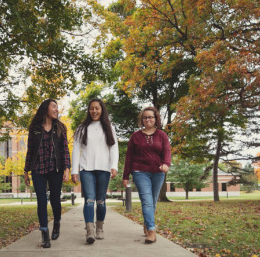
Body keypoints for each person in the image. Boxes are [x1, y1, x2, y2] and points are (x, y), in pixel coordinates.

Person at [24, 99, 71, 248]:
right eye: (54, 107)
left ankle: (57, 222)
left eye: (57, 107)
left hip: (55, 169)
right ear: (46, 109)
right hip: (38, 169)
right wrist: (26, 171)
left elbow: (65, 150)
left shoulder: (60, 128)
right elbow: (30, 151)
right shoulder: (35, 128)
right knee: (42, 200)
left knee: (55, 200)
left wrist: (67, 169)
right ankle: (44, 233)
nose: (57, 109)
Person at [72, 98, 119, 244]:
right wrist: (75, 170)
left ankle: (99, 228)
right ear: (88, 110)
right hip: (86, 169)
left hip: (104, 169)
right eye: (91, 108)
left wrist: (114, 166)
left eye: (97, 108)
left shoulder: (109, 128)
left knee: (101, 201)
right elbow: (76, 150)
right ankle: (90, 231)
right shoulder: (81, 128)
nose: (94, 111)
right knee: (89, 201)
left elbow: (114, 147)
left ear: (102, 109)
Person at [122, 107, 171, 244]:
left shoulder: (162, 135)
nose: (148, 119)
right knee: (147, 201)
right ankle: (152, 230)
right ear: (142, 120)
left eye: (151, 117)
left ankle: (147, 222)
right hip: (139, 171)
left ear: (156, 119)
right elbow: (129, 157)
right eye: (145, 117)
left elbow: (167, 152)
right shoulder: (135, 137)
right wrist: (125, 176)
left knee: (153, 201)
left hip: (158, 172)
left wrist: (166, 164)